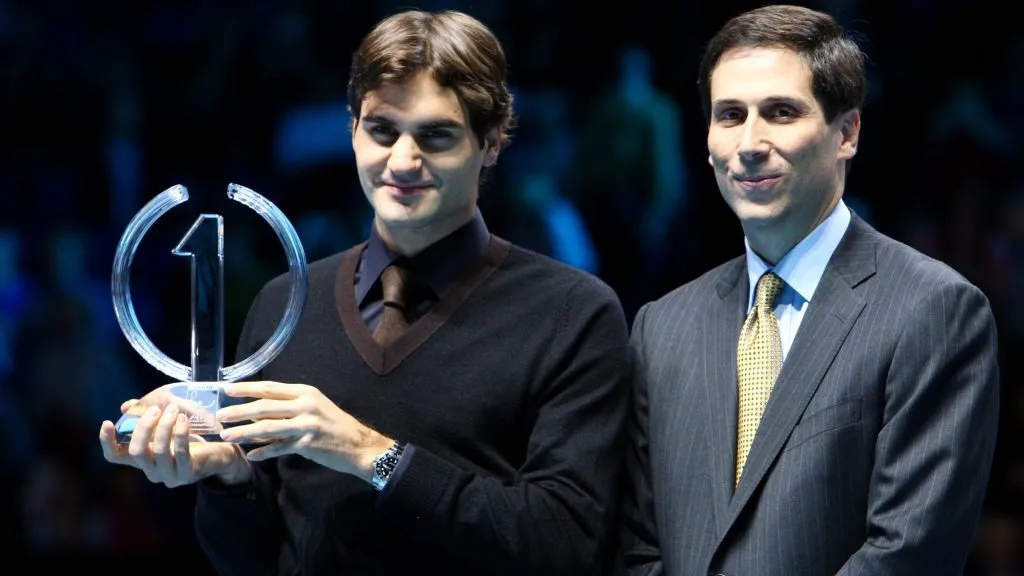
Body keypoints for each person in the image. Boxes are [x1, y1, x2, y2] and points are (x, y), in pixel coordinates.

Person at [99, 9, 630, 575]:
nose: (402, 160)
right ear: (352, 129)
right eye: (382, 130)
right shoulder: (284, 306)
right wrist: (227, 478)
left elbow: (566, 543)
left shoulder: (572, 313)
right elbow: (252, 559)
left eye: (436, 136)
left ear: (492, 142)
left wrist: (367, 452)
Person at [619, 5, 1000, 575]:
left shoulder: (934, 309)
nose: (749, 142)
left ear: (846, 132)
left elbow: (907, 554)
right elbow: (636, 549)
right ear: (706, 140)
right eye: (730, 115)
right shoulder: (661, 325)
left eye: (780, 112)